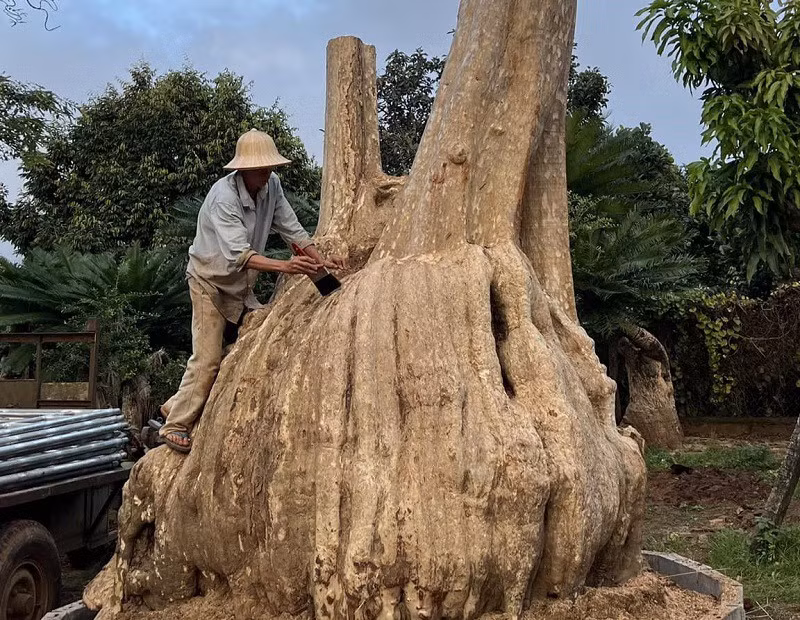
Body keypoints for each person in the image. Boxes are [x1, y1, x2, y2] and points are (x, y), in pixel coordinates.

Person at [159, 129, 343, 453]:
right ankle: (175, 424)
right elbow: (239, 256)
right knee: (208, 358)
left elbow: (292, 230)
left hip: (241, 287)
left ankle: (175, 402)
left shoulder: (272, 186)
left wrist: (321, 263)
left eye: (270, 167)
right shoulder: (223, 199)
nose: (267, 172)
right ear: (243, 169)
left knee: (251, 343)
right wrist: (288, 267)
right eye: (261, 168)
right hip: (209, 283)